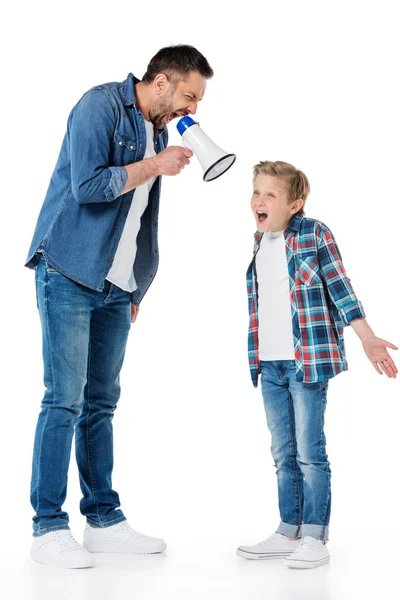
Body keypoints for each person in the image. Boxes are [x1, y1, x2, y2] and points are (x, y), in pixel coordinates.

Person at [25, 44, 214, 569]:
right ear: (160, 83)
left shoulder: (159, 127)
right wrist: (154, 164)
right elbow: (88, 188)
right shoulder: (99, 106)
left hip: (116, 284)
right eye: (188, 96)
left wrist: (134, 286)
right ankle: (47, 528)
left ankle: (103, 520)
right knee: (63, 399)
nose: (192, 109)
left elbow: (139, 217)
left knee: (101, 403)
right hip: (67, 269)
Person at [236, 161, 398, 569]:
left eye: (270, 194)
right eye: (257, 192)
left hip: (306, 361)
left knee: (310, 452)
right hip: (269, 363)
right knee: (281, 451)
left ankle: (314, 536)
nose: (259, 200)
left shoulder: (314, 233)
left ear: (295, 204)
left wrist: (367, 337)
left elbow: (340, 288)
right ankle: (287, 529)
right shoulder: (259, 241)